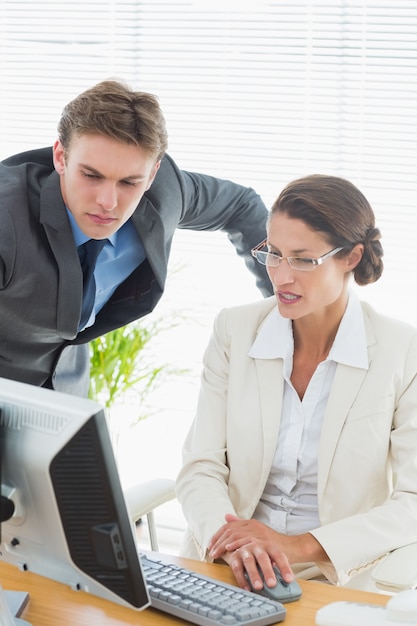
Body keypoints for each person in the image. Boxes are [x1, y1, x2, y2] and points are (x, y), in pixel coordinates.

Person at [176, 173, 417, 592]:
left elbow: (412, 502)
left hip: (337, 572)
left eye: (303, 260)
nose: (281, 276)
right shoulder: (235, 329)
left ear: (351, 257)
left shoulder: (401, 351)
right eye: (273, 253)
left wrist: (296, 546)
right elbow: (202, 466)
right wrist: (237, 545)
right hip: (229, 560)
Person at [0, 79, 272, 395]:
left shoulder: (166, 193)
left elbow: (242, 207)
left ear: (153, 174)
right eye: (91, 175)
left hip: (66, 391)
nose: (108, 202)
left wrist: (285, 311)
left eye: (129, 182)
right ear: (60, 157)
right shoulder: (7, 218)